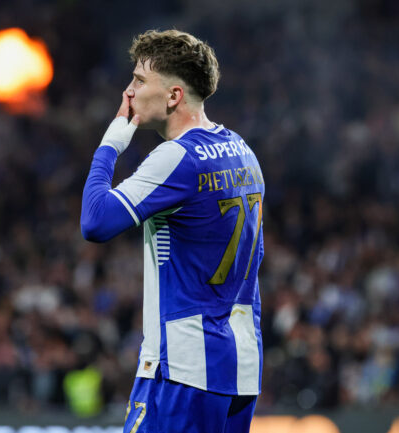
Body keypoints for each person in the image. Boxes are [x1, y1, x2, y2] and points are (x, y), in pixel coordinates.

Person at [81, 30, 264, 433]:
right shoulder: (242, 151)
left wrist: (110, 145)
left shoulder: (178, 157)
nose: (128, 92)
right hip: (240, 365)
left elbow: (95, 222)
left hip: (183, 367)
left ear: (174, 95)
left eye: (139, 80)